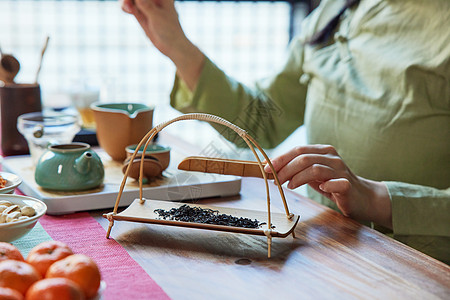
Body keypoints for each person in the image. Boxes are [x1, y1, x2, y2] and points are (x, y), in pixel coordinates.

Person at [120, 0, 450, 263]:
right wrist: (177, 45)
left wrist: (377, 199)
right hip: (321, 243)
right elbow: (263, 121)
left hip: (413, 263)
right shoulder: (338, 9)